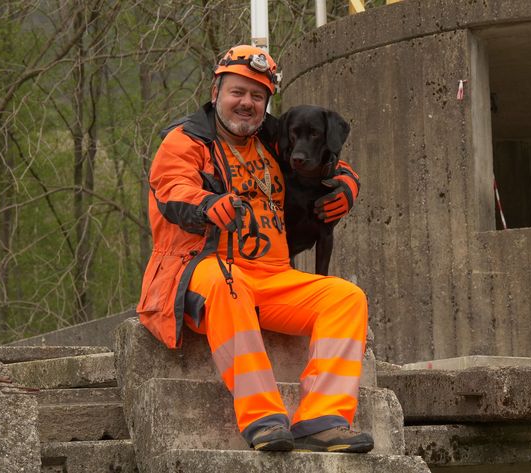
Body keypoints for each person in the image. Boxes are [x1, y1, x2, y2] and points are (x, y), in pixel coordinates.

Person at [136, 44, 373, 453]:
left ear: (266, 103)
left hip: (273, 275)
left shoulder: (274, 138)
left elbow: (326, 156)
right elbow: (172, 191)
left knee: (346, 298)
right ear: (216, 92)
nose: (246, 103)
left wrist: (348, 184)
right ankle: (262, 416)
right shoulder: (184, 141)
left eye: (257, 96)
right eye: (237, 92)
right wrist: (209, 205)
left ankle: (323, 418)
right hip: (199, 269)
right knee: (228, 286)